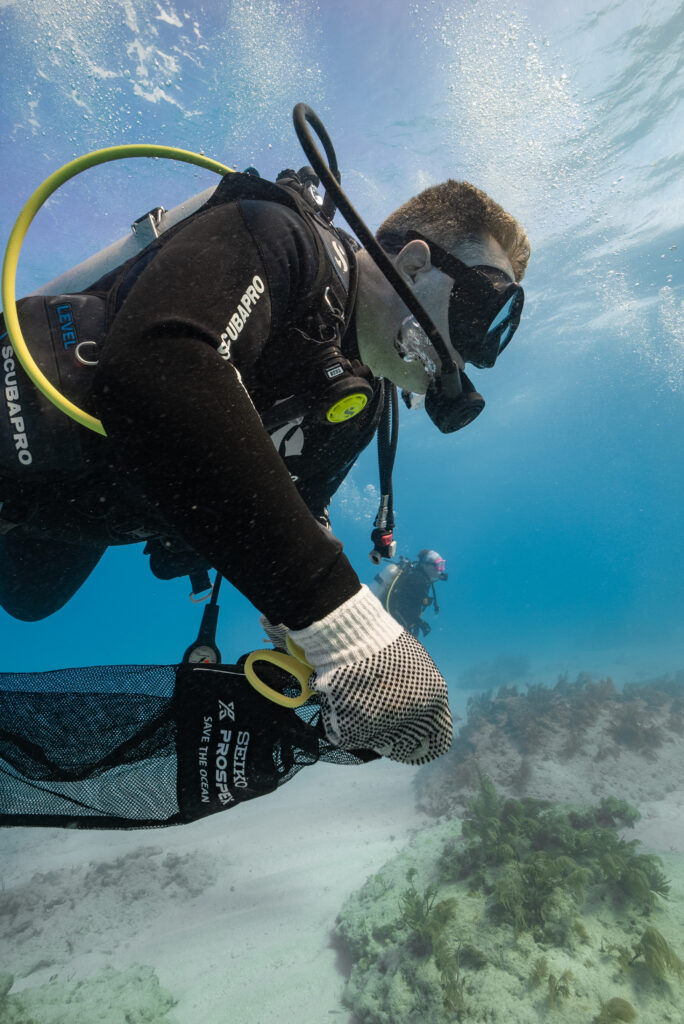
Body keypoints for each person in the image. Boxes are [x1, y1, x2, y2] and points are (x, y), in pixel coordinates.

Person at [0, 165, 530, 767]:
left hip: (71, 506)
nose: (473, 354)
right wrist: (337, 621)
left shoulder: (359, 406)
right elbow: (160, 365)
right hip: (25, 431)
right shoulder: (278, 238)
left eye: (493, 332)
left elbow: (291, 511)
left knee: (30, 599)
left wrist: (294, 629)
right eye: (479, 308)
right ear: (412, 264)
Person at [372, 549, 448, 638]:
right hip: (388, 625)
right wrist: (420, 623)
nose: (441, 570)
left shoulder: (417, 577)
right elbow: (402, 607)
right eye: (439, 565)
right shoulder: (418, 580)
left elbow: (410, 605)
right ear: (427, 565)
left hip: (388, 621)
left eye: (442, 565)